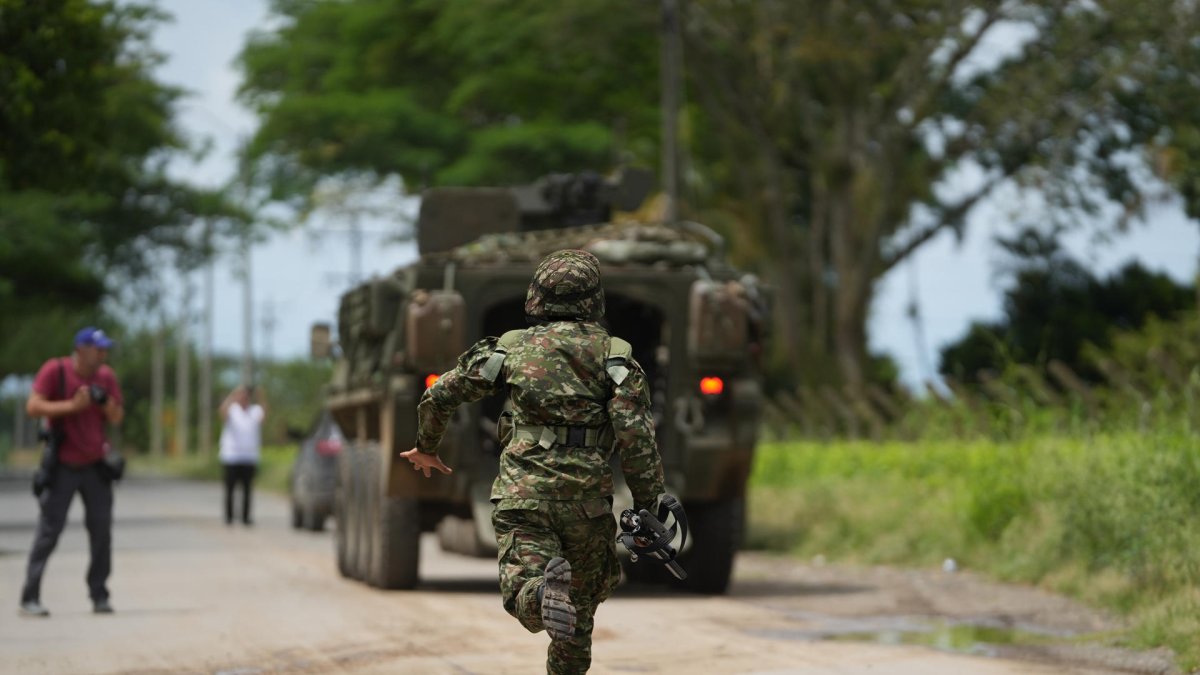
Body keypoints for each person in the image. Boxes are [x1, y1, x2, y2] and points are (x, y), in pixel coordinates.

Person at [400, 249, 666, 674]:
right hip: (588, 504)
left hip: (524, 498)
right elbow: (636, 437)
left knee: (523, 586)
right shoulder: (616, 357)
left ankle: (541, 596)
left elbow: (439, 396)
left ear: (536, 297)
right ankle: (556, 606)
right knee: (577, 620)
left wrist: (426, 446)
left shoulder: (510, 349)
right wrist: (649, 503)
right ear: (595, 299)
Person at [20, 327, 125, 617]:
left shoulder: (106, 377)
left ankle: (99, 595)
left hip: (95, 465)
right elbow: (33, 406)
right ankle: (30, 596)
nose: (103, 354)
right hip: (63, 464)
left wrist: (105, 403)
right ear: (81, 349)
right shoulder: (56, 371)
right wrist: (72, 405)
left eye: (105, 349)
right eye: (98, 348)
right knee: (49, 532)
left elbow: (116, 418)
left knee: (101, 531)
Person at [218, 385, 266, 526]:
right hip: (231, 456)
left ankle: (246, 518)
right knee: (230, 490)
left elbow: (264, 415)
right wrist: (232, 394)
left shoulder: (255, 410)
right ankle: (229, 517)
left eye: (245, 395)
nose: (243, 398)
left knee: (247, 490)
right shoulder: (232, 410)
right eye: (241, 395)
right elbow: (222, 411)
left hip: (249, 457)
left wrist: (261, 397)